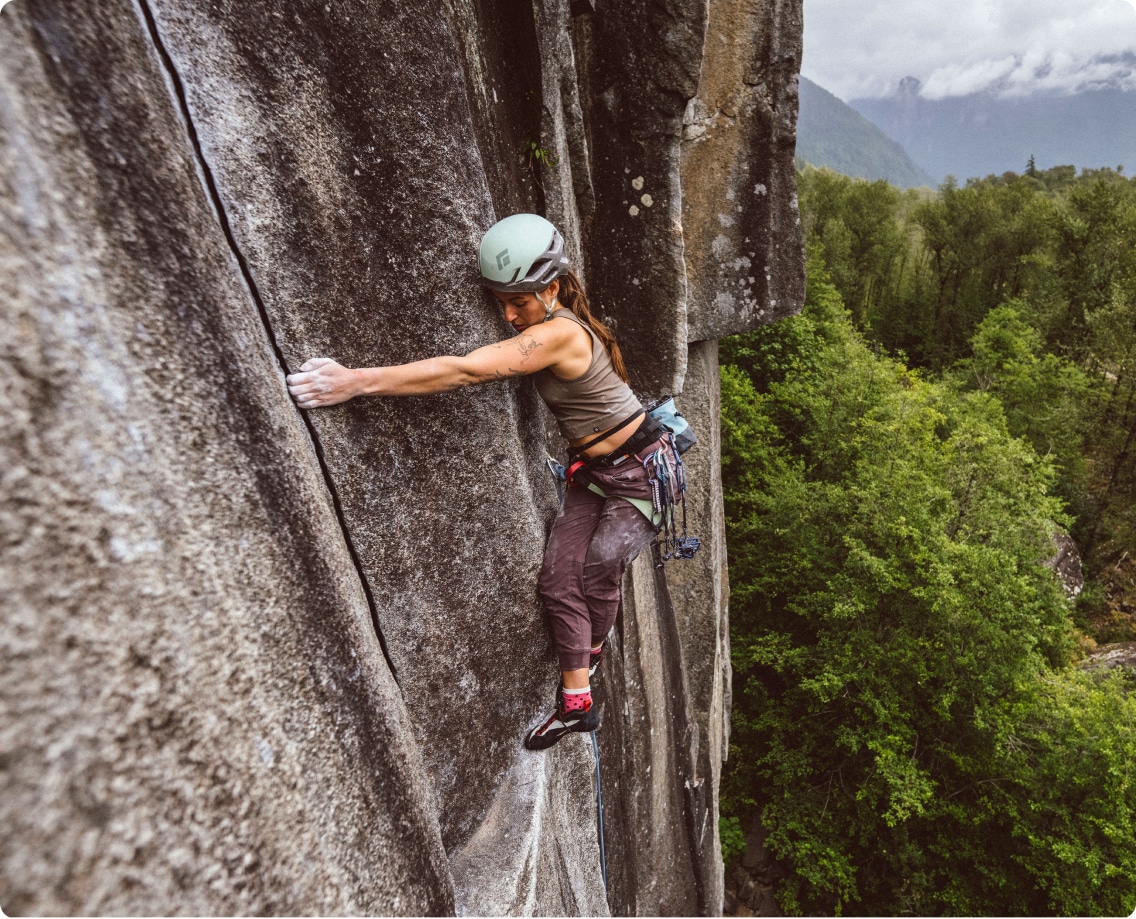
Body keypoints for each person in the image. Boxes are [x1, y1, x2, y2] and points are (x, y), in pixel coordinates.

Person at [286, 213, 681, 750]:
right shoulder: (546, 325)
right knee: (557, 582)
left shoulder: (561, 334)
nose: (510, 314)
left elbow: (466, 370)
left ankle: (590, 650)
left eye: (519, 301)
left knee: (597, 569)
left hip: (643, 470)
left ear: (554, 288)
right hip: (593, 473)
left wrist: (355, 382)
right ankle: (576, 704)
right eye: (501, 301)